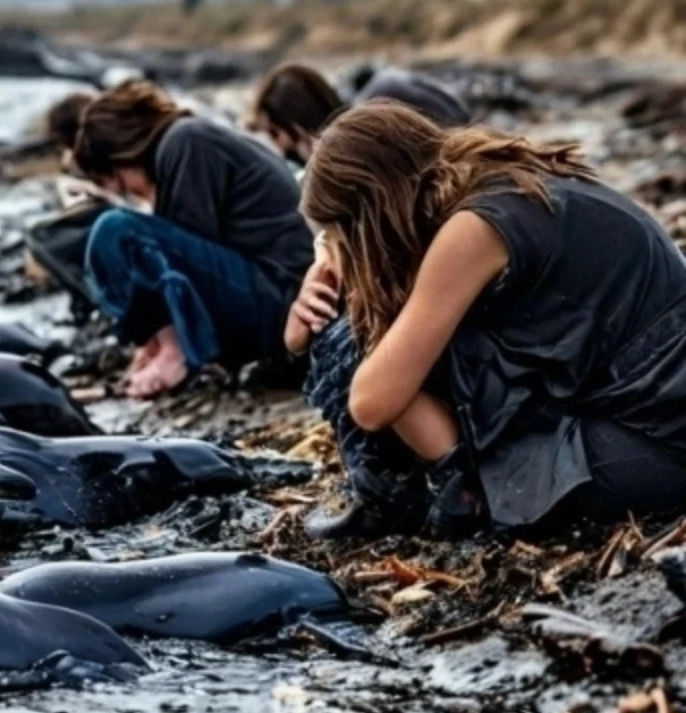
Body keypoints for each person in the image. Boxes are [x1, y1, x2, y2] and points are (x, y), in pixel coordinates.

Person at [290, 101, 686, 539]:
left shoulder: (475, 229)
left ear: (372, 215)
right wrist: (323, 276)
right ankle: (445, 483)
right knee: (380, 336)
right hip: (639, 395)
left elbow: (371, 402)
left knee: (362, 343)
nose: (346, 255)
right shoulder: (487, 180)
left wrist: (351, 283)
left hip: (659, 437)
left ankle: (452, 492)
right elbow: (296, 340)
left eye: (344, 240)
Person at [71, 79, 313, 398]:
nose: (132, 193)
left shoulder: (186, 141)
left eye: (122, 182)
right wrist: (151, 343)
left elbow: (179, 268)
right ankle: (168, 351)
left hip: (283, 301)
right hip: (272, 293)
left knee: (114, 230)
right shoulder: (187, 138)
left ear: (125, 154)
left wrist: (170, 345)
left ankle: (176, 356)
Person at [249, 62, 470, 167]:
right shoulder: (376, 89)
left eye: (274, 132)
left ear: (295, 122)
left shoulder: (362, 130)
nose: (278, 145)